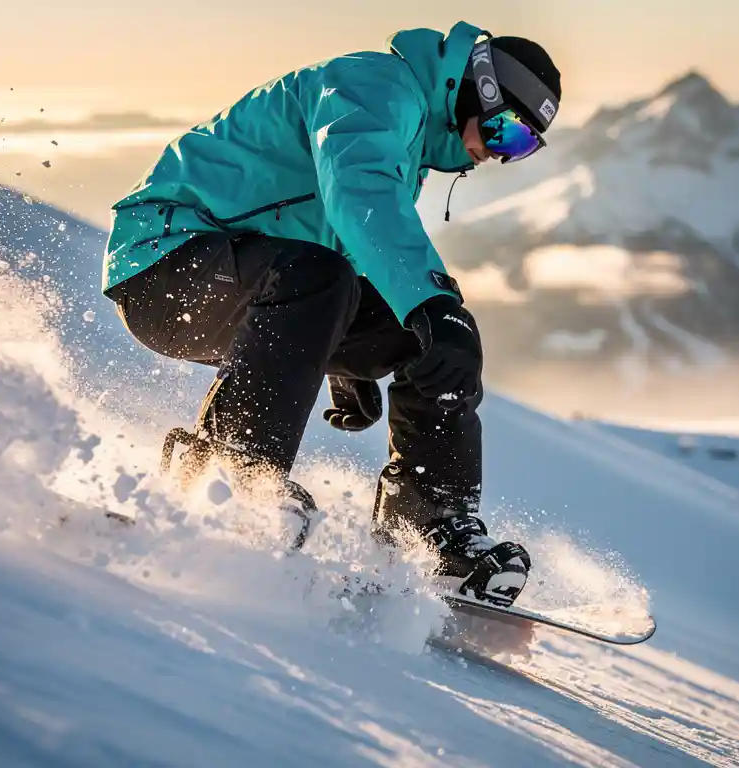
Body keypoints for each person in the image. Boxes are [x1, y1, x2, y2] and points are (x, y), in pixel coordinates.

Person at [101, 21, 562, 607]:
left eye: (521, 147)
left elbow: (336, 246)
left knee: (432, 343)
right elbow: (359, 197)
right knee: (380, 298)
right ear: (480, 90)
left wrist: (344, 355)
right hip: (164, 263)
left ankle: (428, 528)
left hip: (248, 276)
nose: (499, 153)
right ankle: (235, 473)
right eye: (506, 131)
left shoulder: (411, 133)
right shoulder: (376, 86)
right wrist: (432, 301)